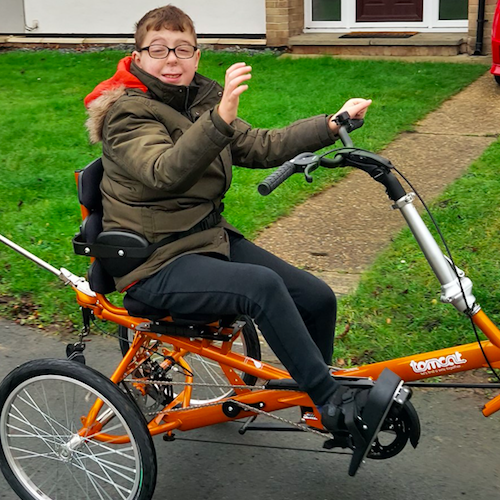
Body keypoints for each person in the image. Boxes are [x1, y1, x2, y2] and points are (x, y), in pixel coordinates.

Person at [84, 4, 373, 433]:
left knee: (316, 298)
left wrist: (330, 126)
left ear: (197, 56)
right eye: (158, 49)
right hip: (153, 260)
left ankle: (312, 399)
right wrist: (219, 119)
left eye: (183, 49)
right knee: (262, 288)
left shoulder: (198, 99)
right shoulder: (126, 114)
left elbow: (261, 145)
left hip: (207, 241)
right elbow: (164, 171)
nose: (171, 60)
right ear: (138, 57)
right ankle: (331, 400)